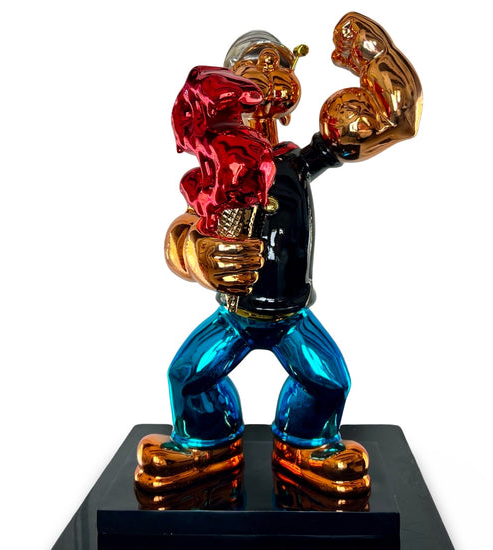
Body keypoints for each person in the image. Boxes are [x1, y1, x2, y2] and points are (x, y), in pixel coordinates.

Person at [135, 12, 422, 499]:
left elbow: (396, 123)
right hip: (234, 315)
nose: (267, 72)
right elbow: (180, 233)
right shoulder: (215, 173)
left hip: (292, 317)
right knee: (186, 376)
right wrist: (201, 256)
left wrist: (375, 57)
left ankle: (306, 443)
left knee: (329, 383)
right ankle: (207, 442)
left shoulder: (297, 163)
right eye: (253, 63)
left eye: (278, 63)